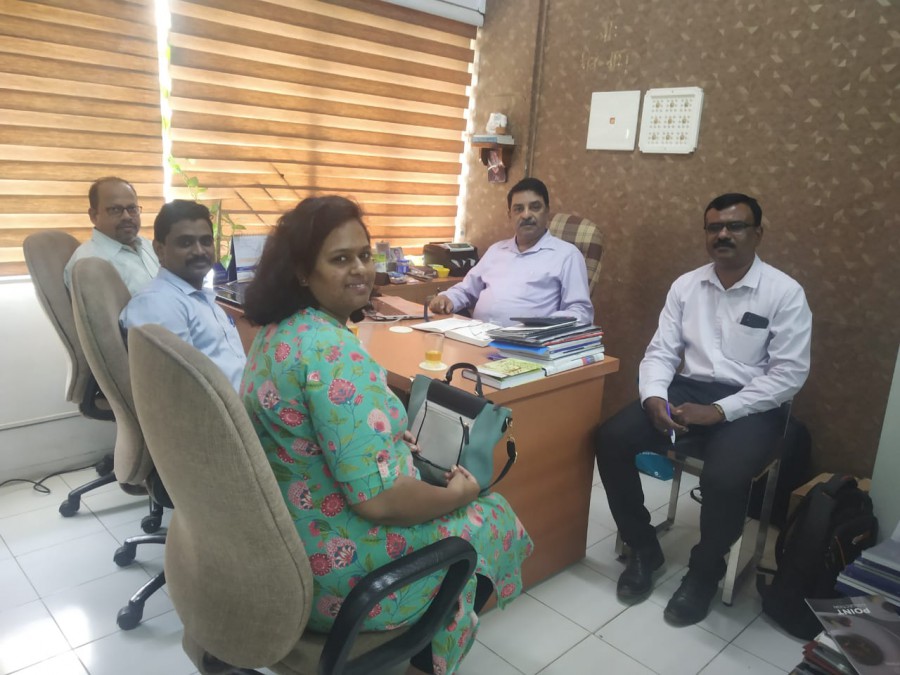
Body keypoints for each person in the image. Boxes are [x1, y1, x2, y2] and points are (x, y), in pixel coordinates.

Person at [240, 196, 533, 675]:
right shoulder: (334, 354)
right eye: (340, 259)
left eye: (364, 254)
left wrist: (390, 442)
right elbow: (379, 502)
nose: (360, 269)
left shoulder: (279, 332)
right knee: (493, 517)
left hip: (283, 541)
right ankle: (425, 658)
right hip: (333, 575)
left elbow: (313, 439)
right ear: (302, 271)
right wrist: (459, 494)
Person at [594, 193, 812, 626]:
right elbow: (661, 352)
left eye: (735, 226)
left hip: (754, 402)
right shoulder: (686, 286)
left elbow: (789, 375)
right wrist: (654, 396)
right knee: (610, 438)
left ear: (757, 233)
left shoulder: (785, 293)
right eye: (715, 227)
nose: (723, 235)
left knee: (724, 477)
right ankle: (643, 548)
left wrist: (720, 410)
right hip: (688, 388)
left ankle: (704, 573)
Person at [427, 177, 593, 326]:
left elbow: (581, 312)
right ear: (510, 216)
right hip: (478, 337)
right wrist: (447, 298)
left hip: (529, 345)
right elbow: (466, 290)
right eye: (518, 209)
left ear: (547, 211)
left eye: (535, 207)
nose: (526, 215)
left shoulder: (567, 255)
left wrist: (543, 327)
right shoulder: (496, 250)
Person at [120, 200, 245, 391]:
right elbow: (180, 391)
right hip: (230, 409)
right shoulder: (157, 304)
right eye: (186, 243)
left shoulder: (198, 296)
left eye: (206, 241)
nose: (199, 251)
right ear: (159, 250)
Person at [64, 177, 159, 295]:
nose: (127, 216)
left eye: (132, 209)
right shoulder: (88, 264)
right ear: (94, 215)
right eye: (115, 209)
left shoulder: (149, 246)